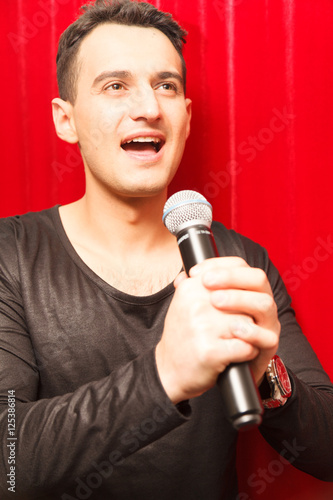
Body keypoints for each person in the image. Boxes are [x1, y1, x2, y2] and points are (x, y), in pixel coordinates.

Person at [0, 1, 332, 499]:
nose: (149, 108)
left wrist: (268, 373)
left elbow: (327, 453)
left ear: (186, 116)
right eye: (116, 86)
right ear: (64, 120)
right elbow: (7, 461)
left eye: (166, 85)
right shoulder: (11, 253)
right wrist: (164, 375)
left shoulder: (240, 261)